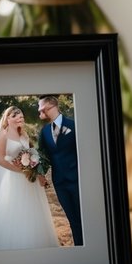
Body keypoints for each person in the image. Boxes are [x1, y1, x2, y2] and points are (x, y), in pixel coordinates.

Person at [0, 106, 61, 251]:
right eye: (15, 115)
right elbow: (0, 159)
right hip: (13, 179)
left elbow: (31, 155)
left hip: (31, 179)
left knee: (33, 209)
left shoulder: (24, 135)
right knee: (15, 208)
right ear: (8, 119)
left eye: (21, 115)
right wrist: (22, 171)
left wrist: (39, 175)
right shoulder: (3, 135)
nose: (20, 117)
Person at [37, 96, 83, 246]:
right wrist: (40, 173)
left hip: (79, 180)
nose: (39, 110)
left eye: (41, 107)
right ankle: (80, 250)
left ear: (51, 105)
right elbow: (43, 155)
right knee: (73, 221)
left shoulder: (75, 125)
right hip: (59, 182)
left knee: (85, 219)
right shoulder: (44, 132)